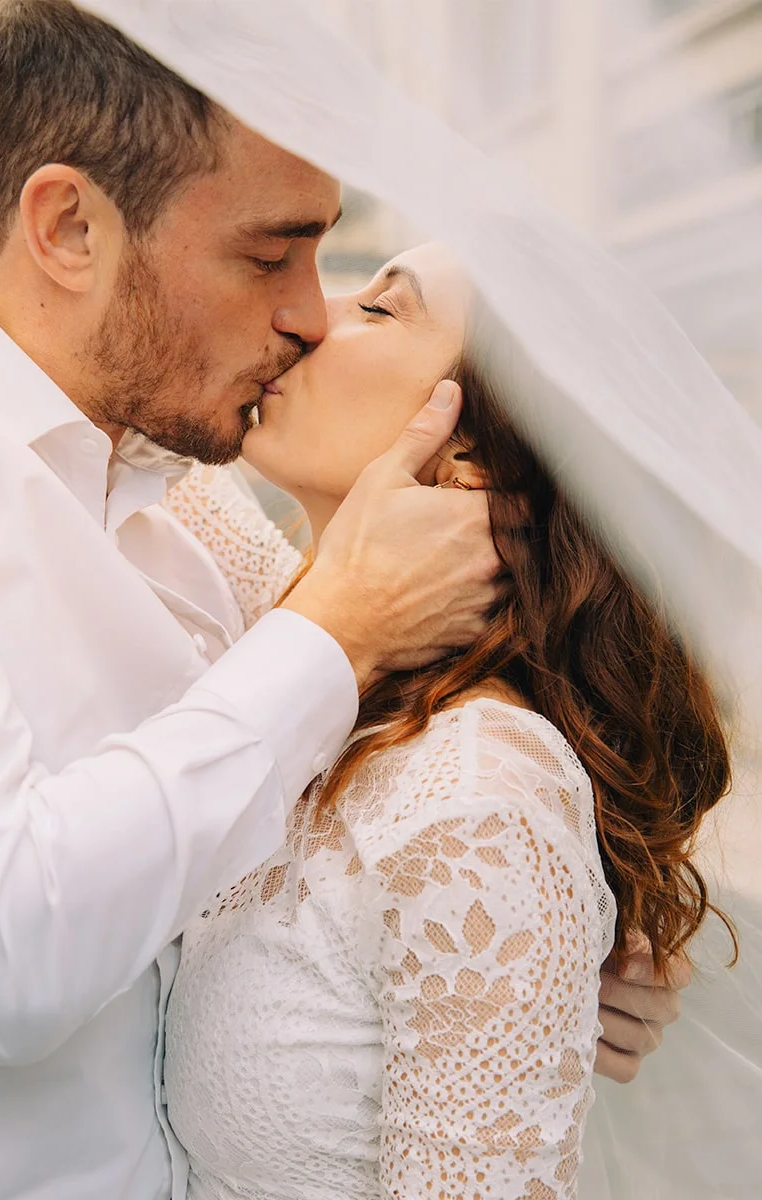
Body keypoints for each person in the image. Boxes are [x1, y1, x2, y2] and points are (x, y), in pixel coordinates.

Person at [0, 4, 688, 1199]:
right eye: (268, 255)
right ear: (67, 227)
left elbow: (409, 820)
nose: (308, 312)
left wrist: (544, 952)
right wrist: (333, 636)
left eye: (336, 262)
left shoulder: (182, 513)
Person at [162, 243, 734, 1199]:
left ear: (464, 454)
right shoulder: (307, 648)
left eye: (383, 310)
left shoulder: (480, 798)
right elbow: (88, 393)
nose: (310, 314)